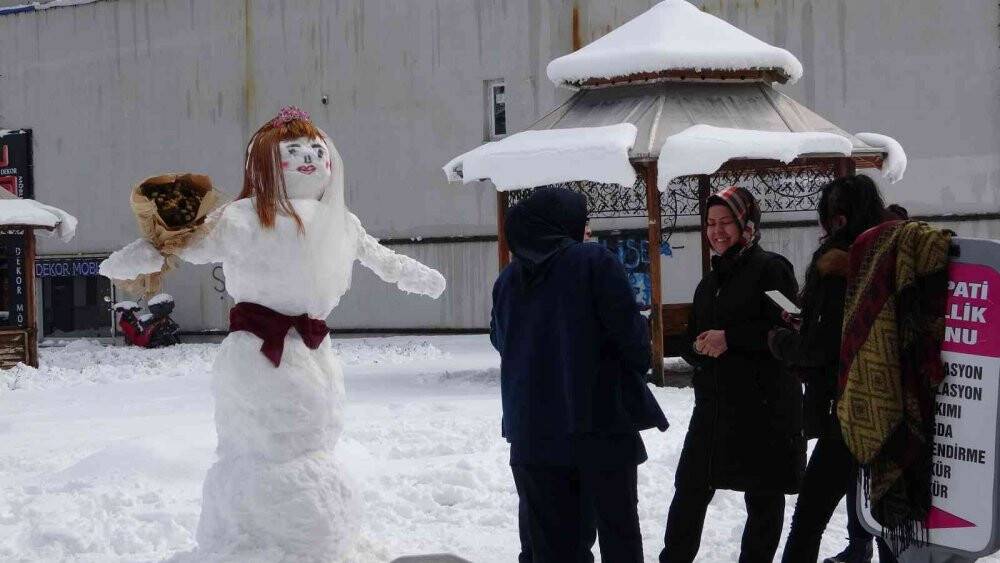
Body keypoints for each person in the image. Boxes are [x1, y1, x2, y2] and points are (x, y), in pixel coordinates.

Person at [490, 186, 668, 563]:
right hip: (599, 428)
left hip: (532, 438)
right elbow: (636, 347)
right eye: (584, 222)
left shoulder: (506, 281)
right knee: (618, 538)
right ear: (566, 224)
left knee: (550, 549)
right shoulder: (594, 262)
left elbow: (501, 341)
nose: (587, 230)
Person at [660, 186, 804, 563]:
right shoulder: (710, 281)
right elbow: (693, 336)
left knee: (763, 497)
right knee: (690, 488)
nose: (717, 231)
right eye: (710, 223)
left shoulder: (772, 269)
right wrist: (698, 347)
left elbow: (793, 324)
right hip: (715, 406)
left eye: (726, 222)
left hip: (763, 406)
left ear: (747, 224)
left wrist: (732, 339)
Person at [769, 175, 897, 563]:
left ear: (837, 220)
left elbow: (817, 350)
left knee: (808, 520)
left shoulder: (839, 264)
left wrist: (780, 340)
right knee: (888, 522)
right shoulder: (892, 255)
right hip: (893, 411)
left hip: (847, 413)